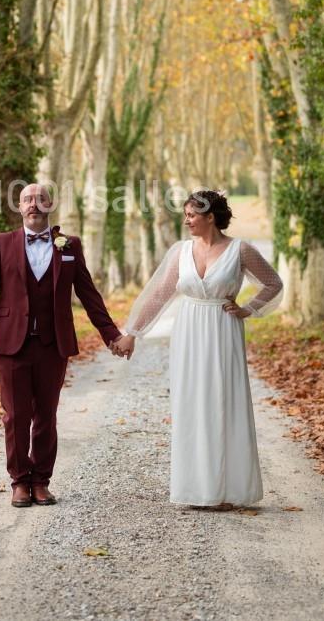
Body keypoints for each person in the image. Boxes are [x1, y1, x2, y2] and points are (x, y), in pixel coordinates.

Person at [0, 183, 134, 507]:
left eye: (39, 199)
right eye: (27, 199)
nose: (33, 204)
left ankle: (41, 481)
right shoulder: (2, 243)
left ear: (50, 205)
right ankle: (19, 481)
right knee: (15, 416)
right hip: (11, 344)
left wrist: (112, 335)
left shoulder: (68, 245)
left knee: (47, 414)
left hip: (52, 345)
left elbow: (89, 295)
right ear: (19, 206)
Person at [122, 190, 284, 508]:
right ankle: (196, 489)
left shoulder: (240, 250)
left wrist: (249, 308)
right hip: (189, 329)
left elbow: (273, 283)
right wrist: (132, 333)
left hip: (223, 329)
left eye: (192, 215)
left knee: (223, 402)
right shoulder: (181, 251)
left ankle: (227, 490)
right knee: (192, 403)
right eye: (186, 214)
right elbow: (159, 295)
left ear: (210, 217)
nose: (187, 220)